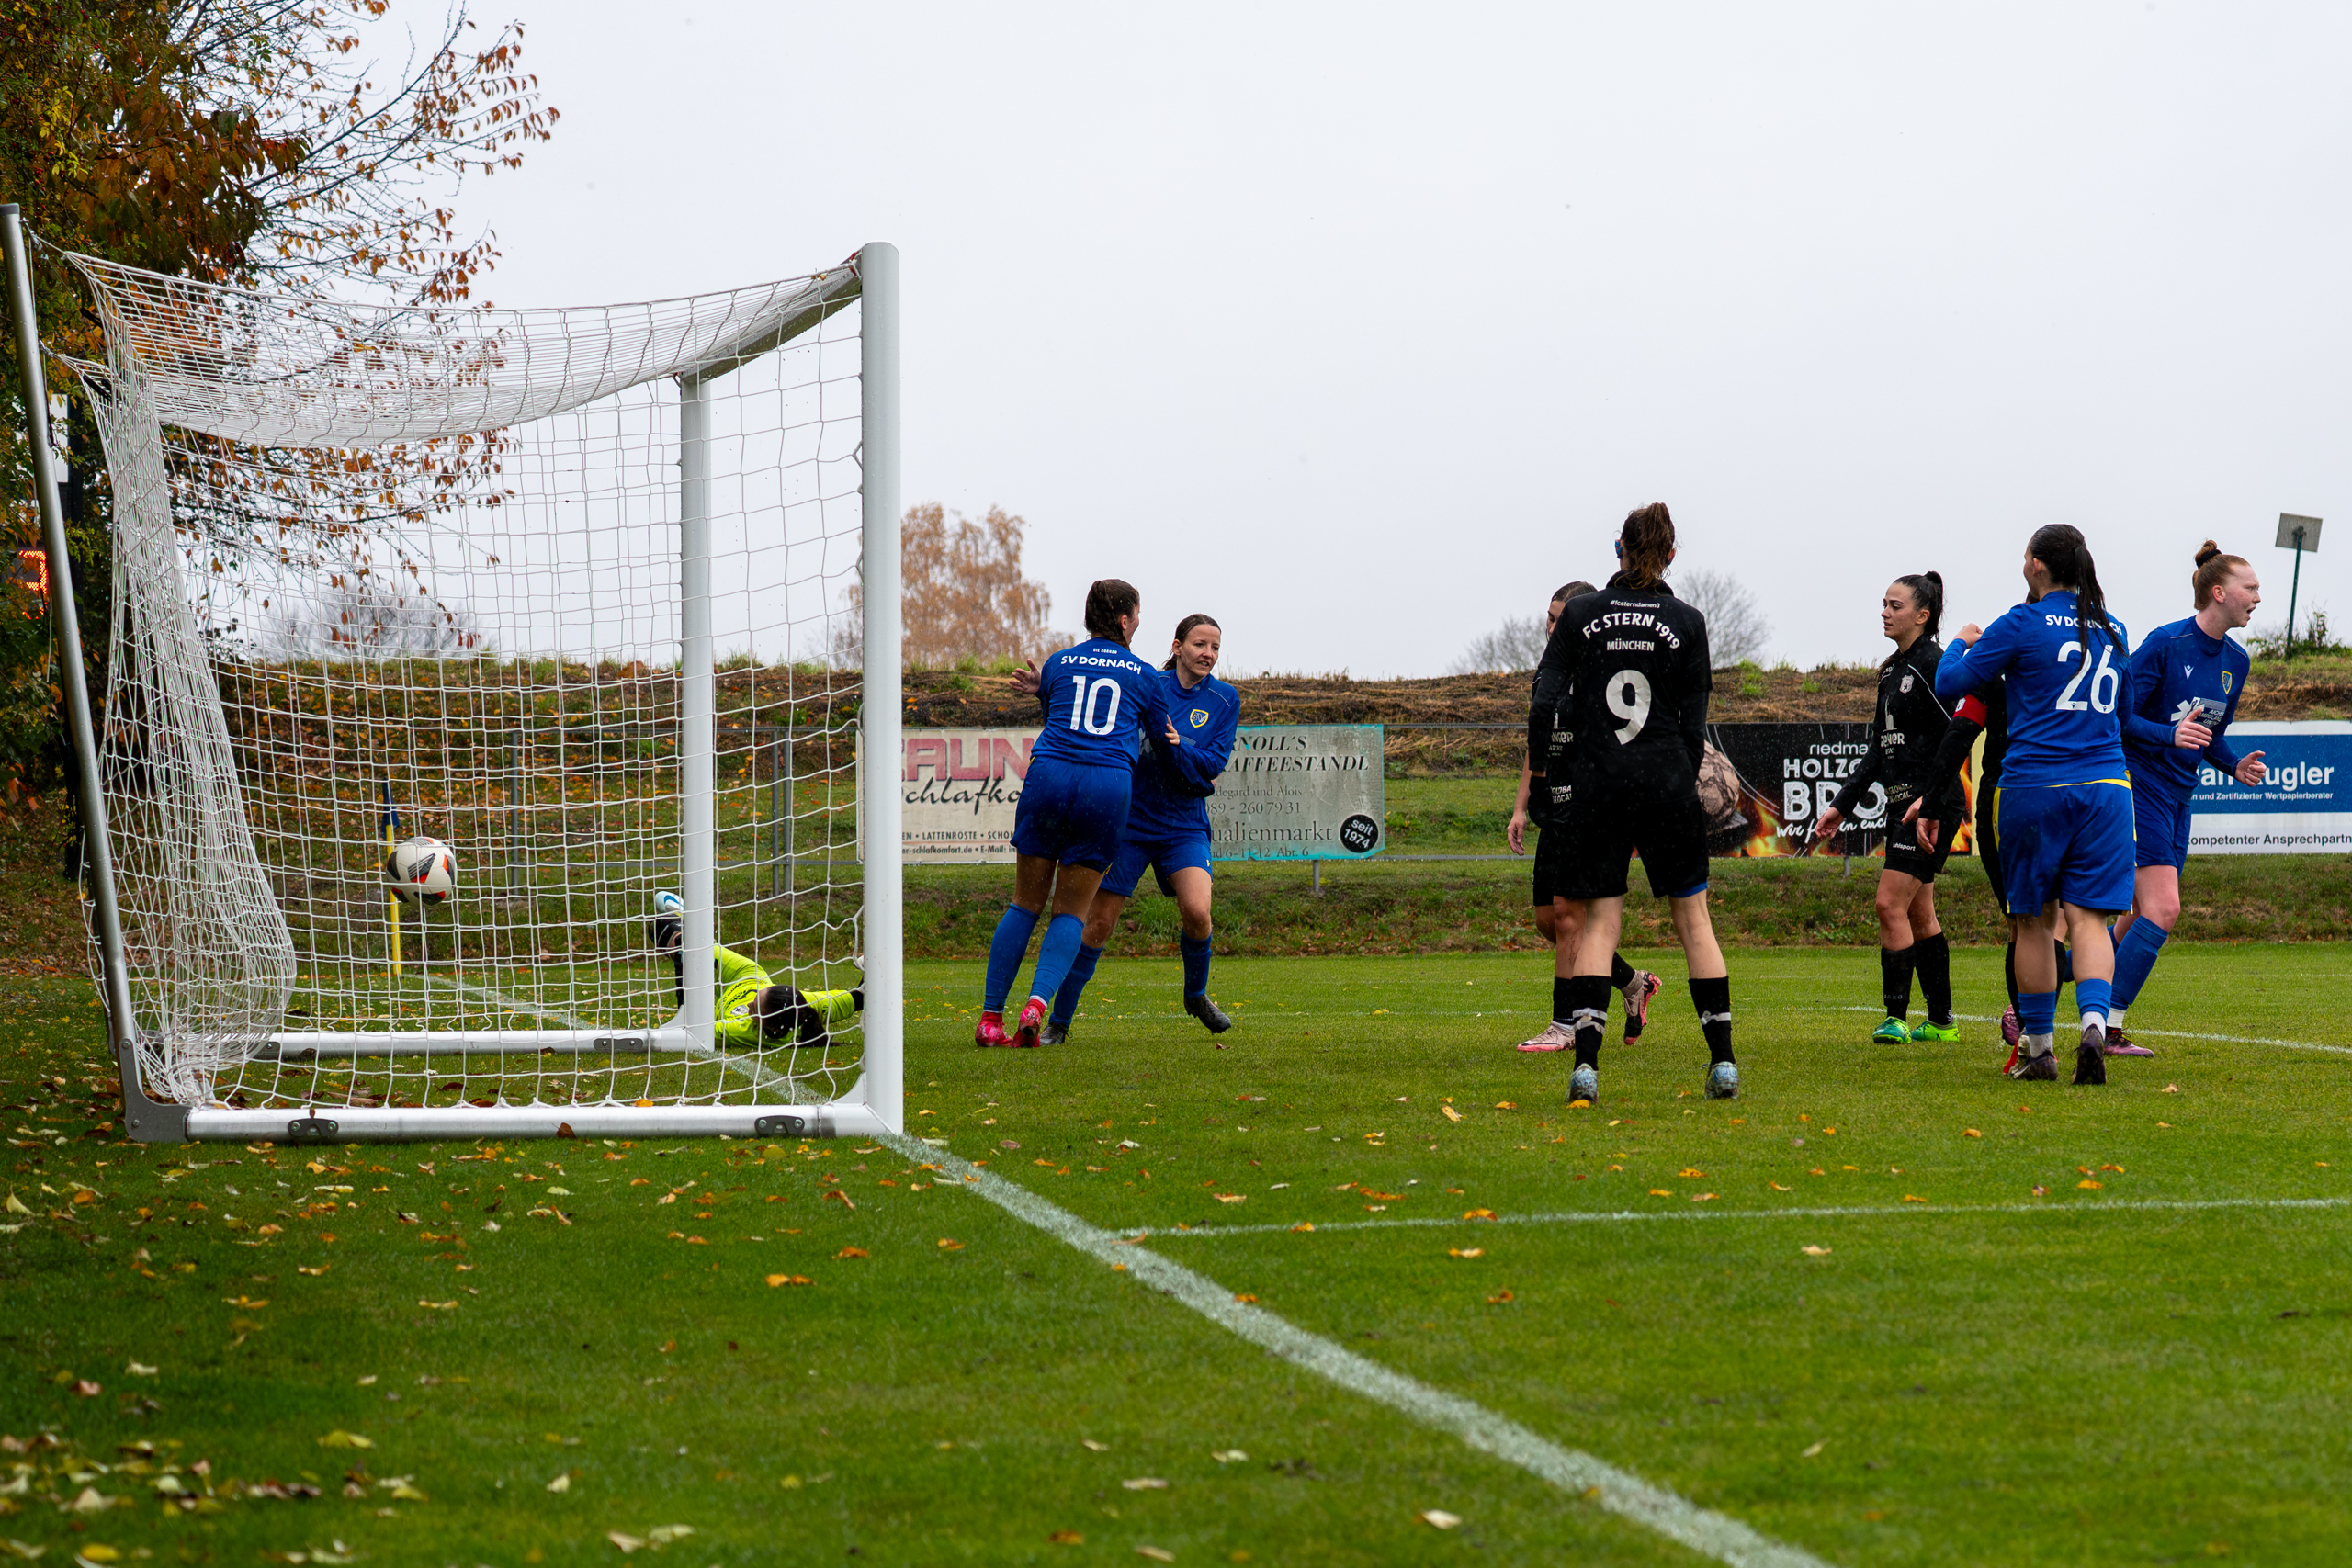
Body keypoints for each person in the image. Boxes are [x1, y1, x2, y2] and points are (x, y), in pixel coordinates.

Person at [1527, 503, 1739, 1103]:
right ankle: (1722, 1063)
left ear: (1616, 548)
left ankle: (1587, 1069)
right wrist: (1675, 773)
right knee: (1694, 921)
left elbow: (1544, 703)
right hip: (1667, 780)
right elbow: (1695, 725)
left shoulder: (1583, 613)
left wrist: (1542, 773)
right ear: (1671, 555)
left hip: (1597, 783)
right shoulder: (1689, 620)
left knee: (1600, 922)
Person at [1931, 524, 2134, 1085]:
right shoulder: (2114, 628)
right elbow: (2124, 716)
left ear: (2038, 567)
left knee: (2034, 922)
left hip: (2034, 786)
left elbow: (1950, 683)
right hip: (2108, 789)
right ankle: (2093, 1025)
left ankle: (2039, 1049)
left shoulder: (2021, 622)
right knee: (2091, 920)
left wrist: (1962, 641)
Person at [978, 579, 1174, 1048]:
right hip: (1105, 785)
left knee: (1025, 902)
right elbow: (1160, 738)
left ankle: (989, 1020)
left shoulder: (1059, 663)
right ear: (1126, 620)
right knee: (1071, 910)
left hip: (1050, 775)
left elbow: (1058, 708)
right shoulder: (1145, 674)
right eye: (1138, 614)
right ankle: (1037, 1006)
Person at [1042, 613, 1242, 1044]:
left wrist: (1177, 747)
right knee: (1097, 925)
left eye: (1215, 648)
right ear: (1177, 647)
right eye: (1200, 645)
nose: (1208, 654)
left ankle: (1196, 996)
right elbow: (1124, 742)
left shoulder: (1225, 700)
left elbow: (1212, 767)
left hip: (1183, 828)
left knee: (1198, 912)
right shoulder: (1149, 684)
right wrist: (1188, 766)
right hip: (1130, 824)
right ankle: (1058, 1023)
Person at [2106, 542, 2268, 1049]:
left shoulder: (2236, 661)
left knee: (2134, 916)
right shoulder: (2164, 643)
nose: (2257, 598)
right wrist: (2166, 735)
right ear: (2219, 593)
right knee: (2163, 909)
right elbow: (2116, 715)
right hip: (2140, 785)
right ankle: (2108, 1026)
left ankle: (2035, 988)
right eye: (2251, 588)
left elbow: (2209, 734)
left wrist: (2232, 763)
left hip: (2180, 795)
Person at [1808, 573, 1966, 1045]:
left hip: (1928, 808)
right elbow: (1879, 749)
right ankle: (1941, 1023)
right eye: (1883, 603)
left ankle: (1895, 1019)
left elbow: (1954, 738)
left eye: (1894, 605)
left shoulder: (1935, 666)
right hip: (1903, 806)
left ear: (1923, 615)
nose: (1884, 612)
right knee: (1920, 915)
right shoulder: (1889, 671)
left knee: (1887, 903)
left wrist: (1930, 799)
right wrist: (1842, 804)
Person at [1509, 580, 1662, 1053]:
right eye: (1549, 618)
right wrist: (1520, 805)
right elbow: (1537, 743)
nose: (1552, 627)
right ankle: (1633, 983)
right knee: (1548, 922)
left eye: (1561, 619)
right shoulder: (1546, 672)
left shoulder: (1601, 667)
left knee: (1569, 917)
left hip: (1588, 805)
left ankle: (1565, 1025)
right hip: (1550, 805)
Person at [650, 896, 862, 1049]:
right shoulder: (803, 1007)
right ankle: (687, 923)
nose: (750, 1002)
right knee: (673, 918)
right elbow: (855, 999)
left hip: (719, 1004)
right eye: (759, 996)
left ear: (768, 1026)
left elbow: (696, 1034)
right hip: (746, 975)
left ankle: (681, 942)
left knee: (665, 932)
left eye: (753, 1009)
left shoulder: (739, 1031)